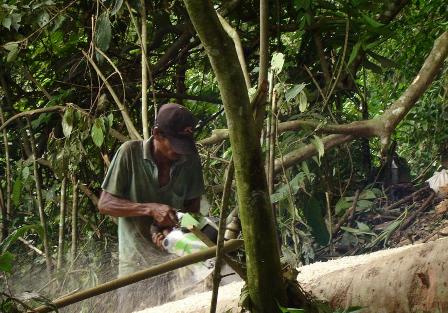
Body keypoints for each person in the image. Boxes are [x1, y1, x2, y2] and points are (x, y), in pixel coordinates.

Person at [98, 103, 205, 312]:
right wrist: (150, 209)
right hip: (133, 267)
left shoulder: (190, 161)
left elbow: (194, 213)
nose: (179, 151)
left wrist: (172, 230)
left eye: (184, 145)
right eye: (175, 143)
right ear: (157, 134)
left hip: (173, 265)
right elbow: (105, 204)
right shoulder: (130, 153)